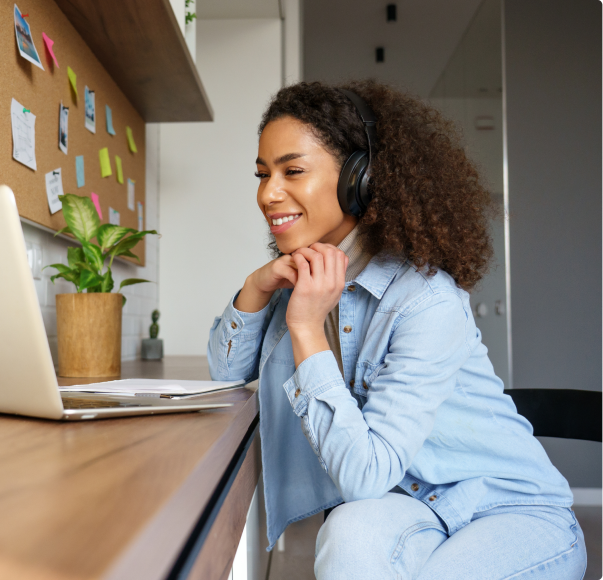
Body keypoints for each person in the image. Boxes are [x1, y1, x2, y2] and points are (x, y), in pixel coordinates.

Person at [207, 80, 587, 579]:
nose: (267, 194)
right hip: (409, 506)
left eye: (292, 170)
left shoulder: (426, 301)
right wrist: (256, 287)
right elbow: (226, 369)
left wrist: (305, 327)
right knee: (348, 536)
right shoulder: (303, 278)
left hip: (509, 510)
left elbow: (365, 473)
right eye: (262, 174)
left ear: (358, 178)